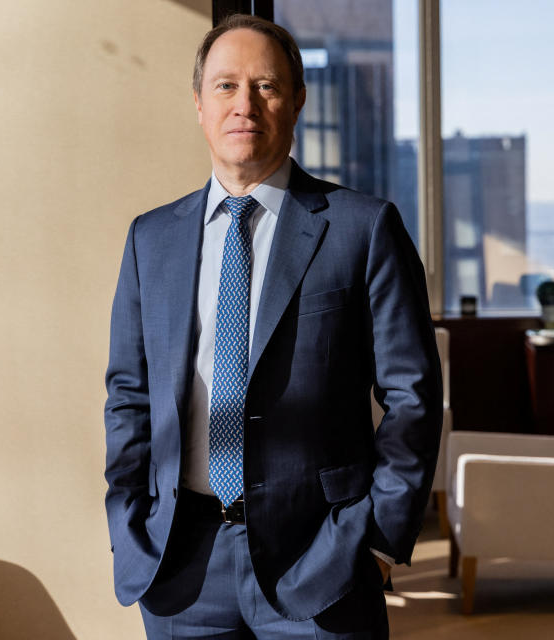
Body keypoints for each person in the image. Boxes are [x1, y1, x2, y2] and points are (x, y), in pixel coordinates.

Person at [104, 13, 442, 639]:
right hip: (182, 568)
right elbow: (129, 397)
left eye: (267, 85)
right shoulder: (151, 240)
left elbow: (413, 396)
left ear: (297, 102)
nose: (245, 104)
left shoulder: (363, 229)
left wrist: (374, 538)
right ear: (199, 104)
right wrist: (130, 527)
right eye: (226, 86)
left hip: (322, 564)